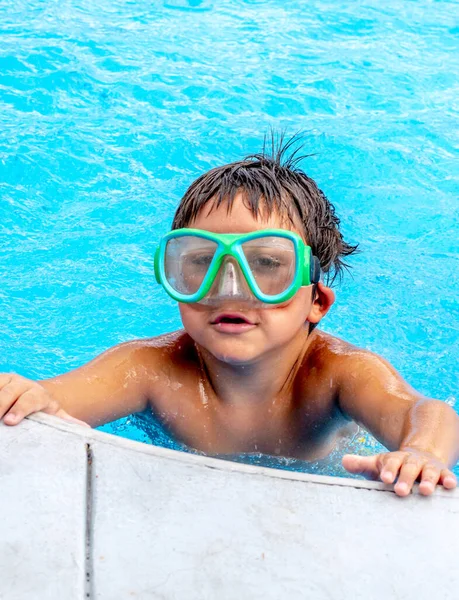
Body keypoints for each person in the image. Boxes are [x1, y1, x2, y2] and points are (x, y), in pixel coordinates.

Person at [1, 138, 458, 497]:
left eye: (266, 264)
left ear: (316, 301)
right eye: (201, 260)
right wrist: (28, 396)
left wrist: (421, 452)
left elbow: (426, 412)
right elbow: (50, 399)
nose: (230, 288)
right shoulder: (150, 368)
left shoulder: (336, 375)